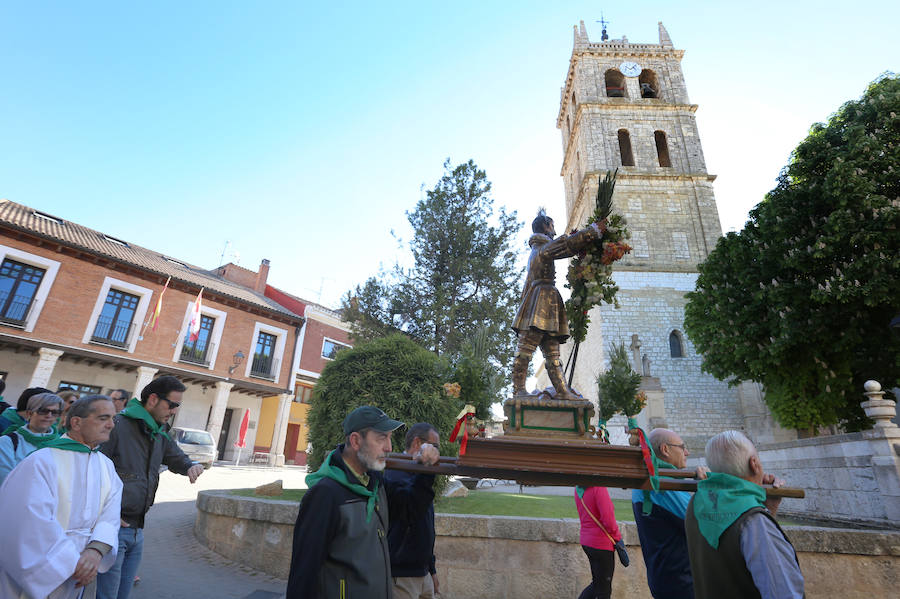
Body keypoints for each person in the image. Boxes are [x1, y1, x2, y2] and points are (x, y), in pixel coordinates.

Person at [287, 406, 433, 599]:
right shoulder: (325, 495)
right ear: (356, 441)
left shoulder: (376, 484)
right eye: (381, 438)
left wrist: (426, 472)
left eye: (389, 438)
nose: (389, 447)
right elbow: (304, 572)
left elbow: (410, 511)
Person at [0, 395, 122, 598]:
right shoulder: (42, 461)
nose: (111, 425)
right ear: (76, 422)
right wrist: (72, 563)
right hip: (46, 566)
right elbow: (28, 522)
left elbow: (111, 513)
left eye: (112, 419)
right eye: (103, 418)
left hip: (86, 566)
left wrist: (95, 551)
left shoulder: (106, 465)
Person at [96, 375, 203, 599]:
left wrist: (190, 466)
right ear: (153, 399)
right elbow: (95, 473)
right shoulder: (118, 425)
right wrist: (104, 515)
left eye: (178, 406)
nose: (174, 411)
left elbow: (176, 457)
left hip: (138, 531)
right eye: (172, 405)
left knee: (122, 594)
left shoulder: (159, 431)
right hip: (114, 528)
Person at [685, 430, 804, 599]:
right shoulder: (754, 521)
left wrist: (767, 508)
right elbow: (785, 593)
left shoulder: (696, 504)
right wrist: (759, 513)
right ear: (754, 463)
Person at [512, 209, 603, 399]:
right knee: (526, 349)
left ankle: (562, 391)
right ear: (545, 227)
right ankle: (519, 390)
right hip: (541, 300)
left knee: (552, 352)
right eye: (552, 226)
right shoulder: (543, 249)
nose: (554, 230)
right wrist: (592, 232)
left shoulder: (538, 249)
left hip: (544, 301)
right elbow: (566, 245)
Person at [632, 428, 708, 599]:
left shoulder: (649, 480)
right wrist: (705, 491)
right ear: (665, 449)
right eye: (682, 447)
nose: (687, 452)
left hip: (663, 579)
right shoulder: (664, 486)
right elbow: (704, 525)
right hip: (681, 583)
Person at [384, 422, 441, 599]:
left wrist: (431, 569)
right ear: (417, 444)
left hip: (422, 573)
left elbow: (424, 524)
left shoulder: (417, 473)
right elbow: (412, 509)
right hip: (401, 575)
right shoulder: (395, 474)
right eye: (435, 446)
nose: (437, 451)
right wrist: (427, 471)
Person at [0, 391, 62, 484]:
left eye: (54, 412)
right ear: (29, 413)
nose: (49, 415)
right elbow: (6, 479)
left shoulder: (61, 443)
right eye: (43, 411)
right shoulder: (8, 441)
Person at [574, 484, 624, 599]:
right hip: (601, 544)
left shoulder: (578, 488)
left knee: (597, 584)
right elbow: (608, 520)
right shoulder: (598, 488)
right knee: (604, 591)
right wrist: (618, 538)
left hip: (587, 541)